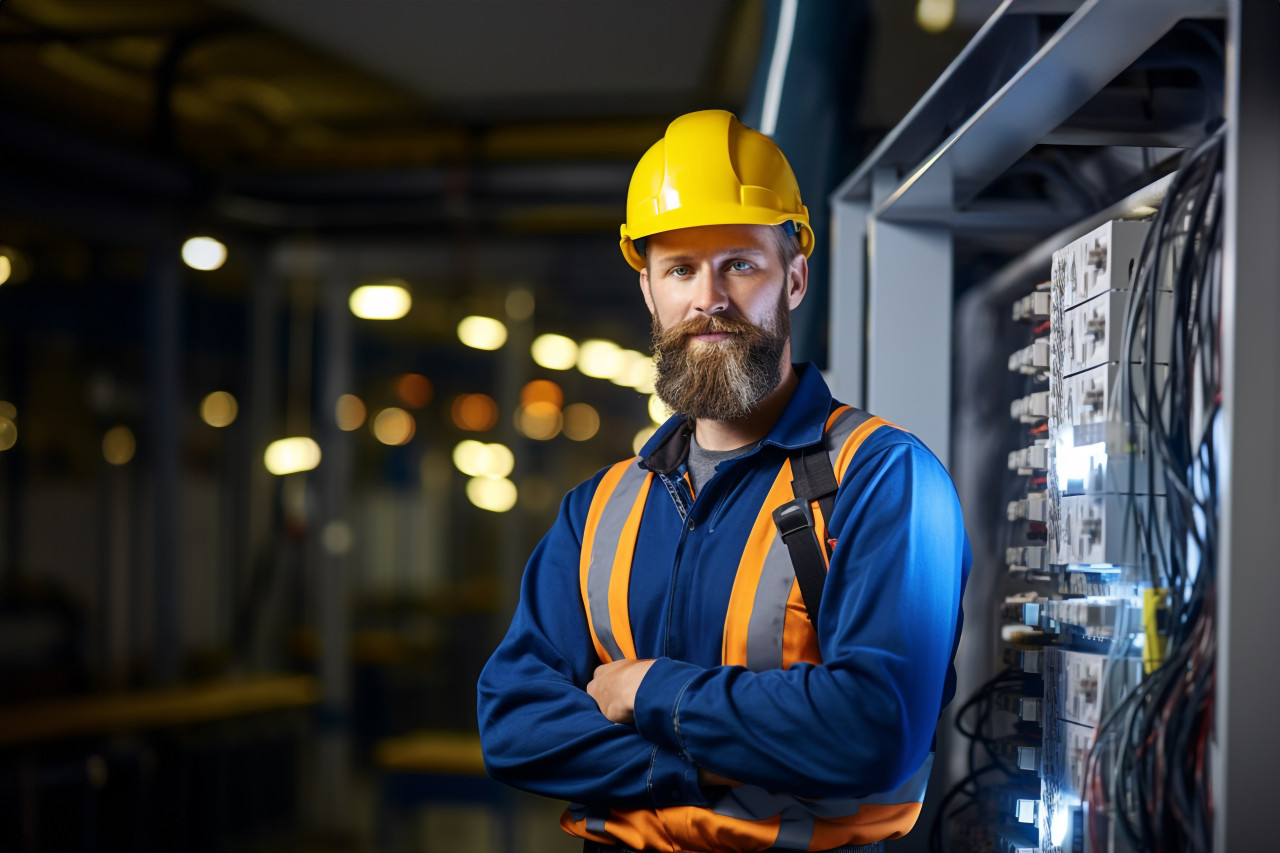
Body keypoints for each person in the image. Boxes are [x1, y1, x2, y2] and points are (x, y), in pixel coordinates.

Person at [477, 109, 970, 853]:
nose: (709, 297)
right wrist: (694, 767)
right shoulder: (600, 507)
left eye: (740, 263)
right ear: (649, 291)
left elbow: (871, 730)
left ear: (795, 277)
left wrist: (644, 690)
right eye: (680, 268)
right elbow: (513, 724)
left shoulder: (885, 479)